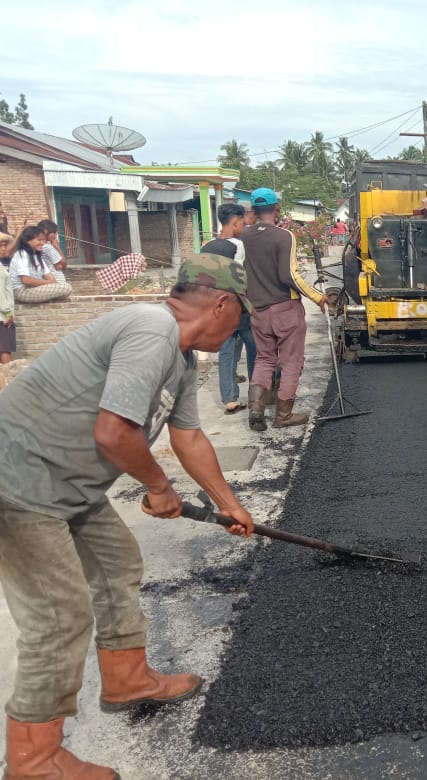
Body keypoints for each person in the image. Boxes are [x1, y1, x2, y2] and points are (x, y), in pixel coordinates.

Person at [0, 253, 255, 778]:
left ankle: (126, 679)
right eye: (239, 318)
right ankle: (33, 760)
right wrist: (158, 487)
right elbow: (114, 431)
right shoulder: (151, 329)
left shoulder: (181, 360)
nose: (238, 329)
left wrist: (229, 504)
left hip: (70, 486)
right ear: (223, 304)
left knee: (118, 565)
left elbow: (188, 437)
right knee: (59, 617)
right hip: (20, 485)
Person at [241, 187, 328, 431]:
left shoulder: (244, 236)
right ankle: (283, 416)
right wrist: (317, 297)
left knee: (264, 359)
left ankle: (256, 409)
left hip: (258, 310)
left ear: (254, 211)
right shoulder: (284, 236)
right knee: (291, 362)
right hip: (285, 309)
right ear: (276, 209)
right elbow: (289, 274)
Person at [203, 203, 256, 415]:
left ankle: (229, 399)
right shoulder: (237, 245)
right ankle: (256, 394)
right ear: (235, 222)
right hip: (237, 308)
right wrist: (250, 308)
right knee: (255, 349)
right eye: (242, 222)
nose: (243, 226)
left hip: (217, 309)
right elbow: (239, 280)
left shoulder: (207, 246)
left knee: (225, 352)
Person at [8, 226, 73, 303]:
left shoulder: (36, 256)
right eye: (39, 240)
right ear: (28, 241)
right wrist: (47, 283)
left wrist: (48, 283)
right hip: (21, 291)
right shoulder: (22, 254)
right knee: (66, 288)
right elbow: (26, 280)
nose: (42, 243)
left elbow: (52, 278)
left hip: (34, 288)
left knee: (65, 287)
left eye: (43, 240)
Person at [37, 219, 68, 284]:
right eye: (53, 233)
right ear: (46, 231)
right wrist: (57, 247)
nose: (55, 235)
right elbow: (64, 265)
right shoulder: (48, 247)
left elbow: (59, 265)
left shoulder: (39, 247)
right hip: (57, 281)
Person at [0, 248, 14, 363]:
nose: (4, 248)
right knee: (5, 350)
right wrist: (8, 313)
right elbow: (1, 294)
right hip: (2, 317)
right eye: (0, 245)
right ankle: (9, 381)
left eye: (5, 245)